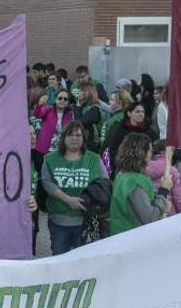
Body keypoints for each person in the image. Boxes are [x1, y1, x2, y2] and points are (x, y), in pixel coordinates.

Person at [40, 121, 107, 255]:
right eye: (70, 135)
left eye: (78, 135)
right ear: (63, 137)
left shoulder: (94, 159)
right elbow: (46, 182)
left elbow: (104, 183)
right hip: (59, 220)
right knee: (59, 258)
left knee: (83, 260)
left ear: (84, 138)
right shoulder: (50, 159)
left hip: (86, 221)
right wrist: (67, 199)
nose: (75, 138)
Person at [110, 133, 171, 235]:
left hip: (121, 235)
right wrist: (164, 191)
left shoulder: (122, 175)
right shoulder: (133, 182)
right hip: (132, 238)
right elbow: (150, 218)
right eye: (150, 150)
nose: (151, 154)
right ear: (142, 153)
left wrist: (160, 202)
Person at [104, 100, 158, 175]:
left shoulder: (150, 132)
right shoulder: (120, 129)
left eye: (143, 112)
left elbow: (155, 150)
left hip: (145, 168)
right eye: (137, 112)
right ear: (129, 113)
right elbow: (113, 149)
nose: (141, 114)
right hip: (123, 168)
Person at [146, 140, 181, 217]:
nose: (173, 153)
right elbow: (177, 197)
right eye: (172, 151)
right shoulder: (172, 170)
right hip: (170, 211)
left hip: (153, 210)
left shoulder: (144, 168)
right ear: (163, 152)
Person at [33, 88, 75, 155]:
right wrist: (39, 104)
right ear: (55, 99)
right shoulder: (48, 109)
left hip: (61, 150)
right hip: (45, 150)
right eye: (60, 98)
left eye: (65, 99)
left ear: (68, 102)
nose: (62, 100)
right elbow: (37, 114)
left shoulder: (70, 114)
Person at [74, 81, 104, 153]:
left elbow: (79, 124)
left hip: (91, 147)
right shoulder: (85, 107)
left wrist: (78, 106)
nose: (77, 93)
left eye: (80, 91)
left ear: (86, 93)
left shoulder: (94, 109)